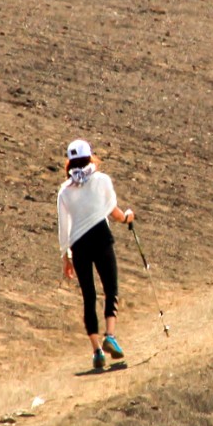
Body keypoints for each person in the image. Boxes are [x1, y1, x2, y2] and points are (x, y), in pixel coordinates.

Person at [57, 138, 134, 372]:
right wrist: (128, 217)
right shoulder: (101, 180)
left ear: (69, 163)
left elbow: (64, 227)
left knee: (88, 297)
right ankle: (109, 336)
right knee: (111, 289)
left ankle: (96, 351)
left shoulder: (64, 191)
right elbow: (114, 213)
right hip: (101, 237)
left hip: (79, 245)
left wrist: (65, 256)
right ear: (90, 157)